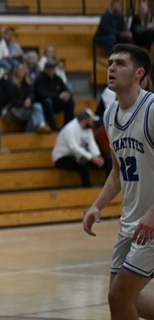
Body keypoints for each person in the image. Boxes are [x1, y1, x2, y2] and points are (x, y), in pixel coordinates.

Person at [83, 43, 154, 319]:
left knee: (119, 296)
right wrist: (96, 205)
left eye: (120, 63)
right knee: (124, 298)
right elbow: (116, 172)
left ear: (139, 73)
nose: (111, 68)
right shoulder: (110, 114)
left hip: (151, 221)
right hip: (130, 221)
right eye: (111, 63)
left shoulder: (151, 110)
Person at [52, 109, 105, 187]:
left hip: (77, 155)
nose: (93, 123)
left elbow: (92, 143)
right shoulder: (70, 129)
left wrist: (97, 155)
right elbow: (74, 148)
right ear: (85, 120)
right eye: (91, 121)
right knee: (83, 161)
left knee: (106, 160)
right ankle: (87, 187)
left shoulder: (87, 129)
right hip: (62, 157)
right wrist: (92, 158)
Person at [5, 63, 50, 133]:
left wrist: (29, 100)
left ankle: (41, 125)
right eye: (20, 70)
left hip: (25, 108)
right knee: (33, 114)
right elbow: (11, 100)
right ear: (16, 71)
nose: (22, 71)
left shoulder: (27, 83)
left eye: (23, 70)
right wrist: (23, 103)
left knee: (37, 105)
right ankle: (31, 132)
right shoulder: (11, 83)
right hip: (15, 109)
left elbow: (32, 95)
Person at [34, 59, 75, 131]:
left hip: (57, 103)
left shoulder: (57, 79)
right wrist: (58, 96)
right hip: (45, 104)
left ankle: (67, 126)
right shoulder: (40, 79)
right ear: (45, 69)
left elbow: (65, 89)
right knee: (47, 101)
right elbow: (42, 94)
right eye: (49, 69)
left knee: (70, 101)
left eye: (52, 69)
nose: (51, 71)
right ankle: (54, 127)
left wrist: (67, 95)